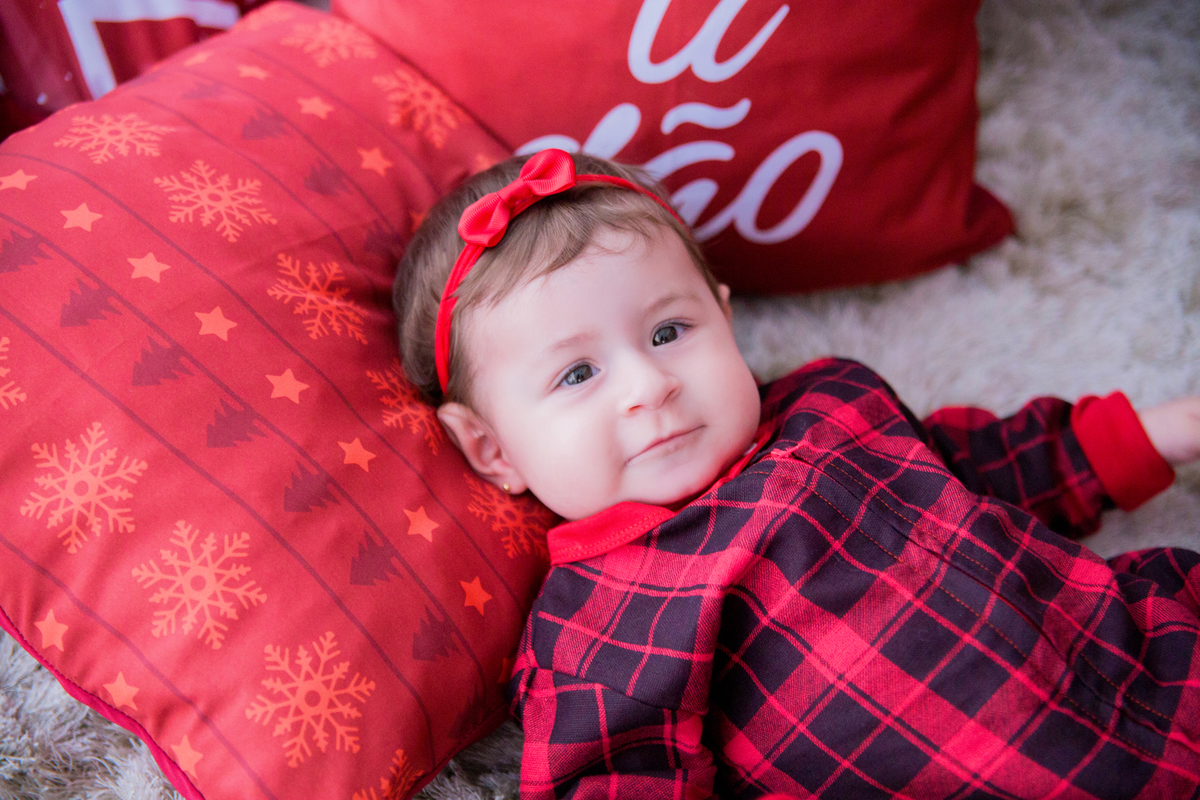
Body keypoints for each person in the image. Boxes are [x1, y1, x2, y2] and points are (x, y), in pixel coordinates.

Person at [393, 148, 1200, 799]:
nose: (650, 385)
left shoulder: (831, 397)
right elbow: (612, 778)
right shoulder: (597, 622)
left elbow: (989, 463)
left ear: (724, 313)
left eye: (671, 329)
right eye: (577, 375)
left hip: (1139, 648)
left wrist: (1165, 431)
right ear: (492, 449)